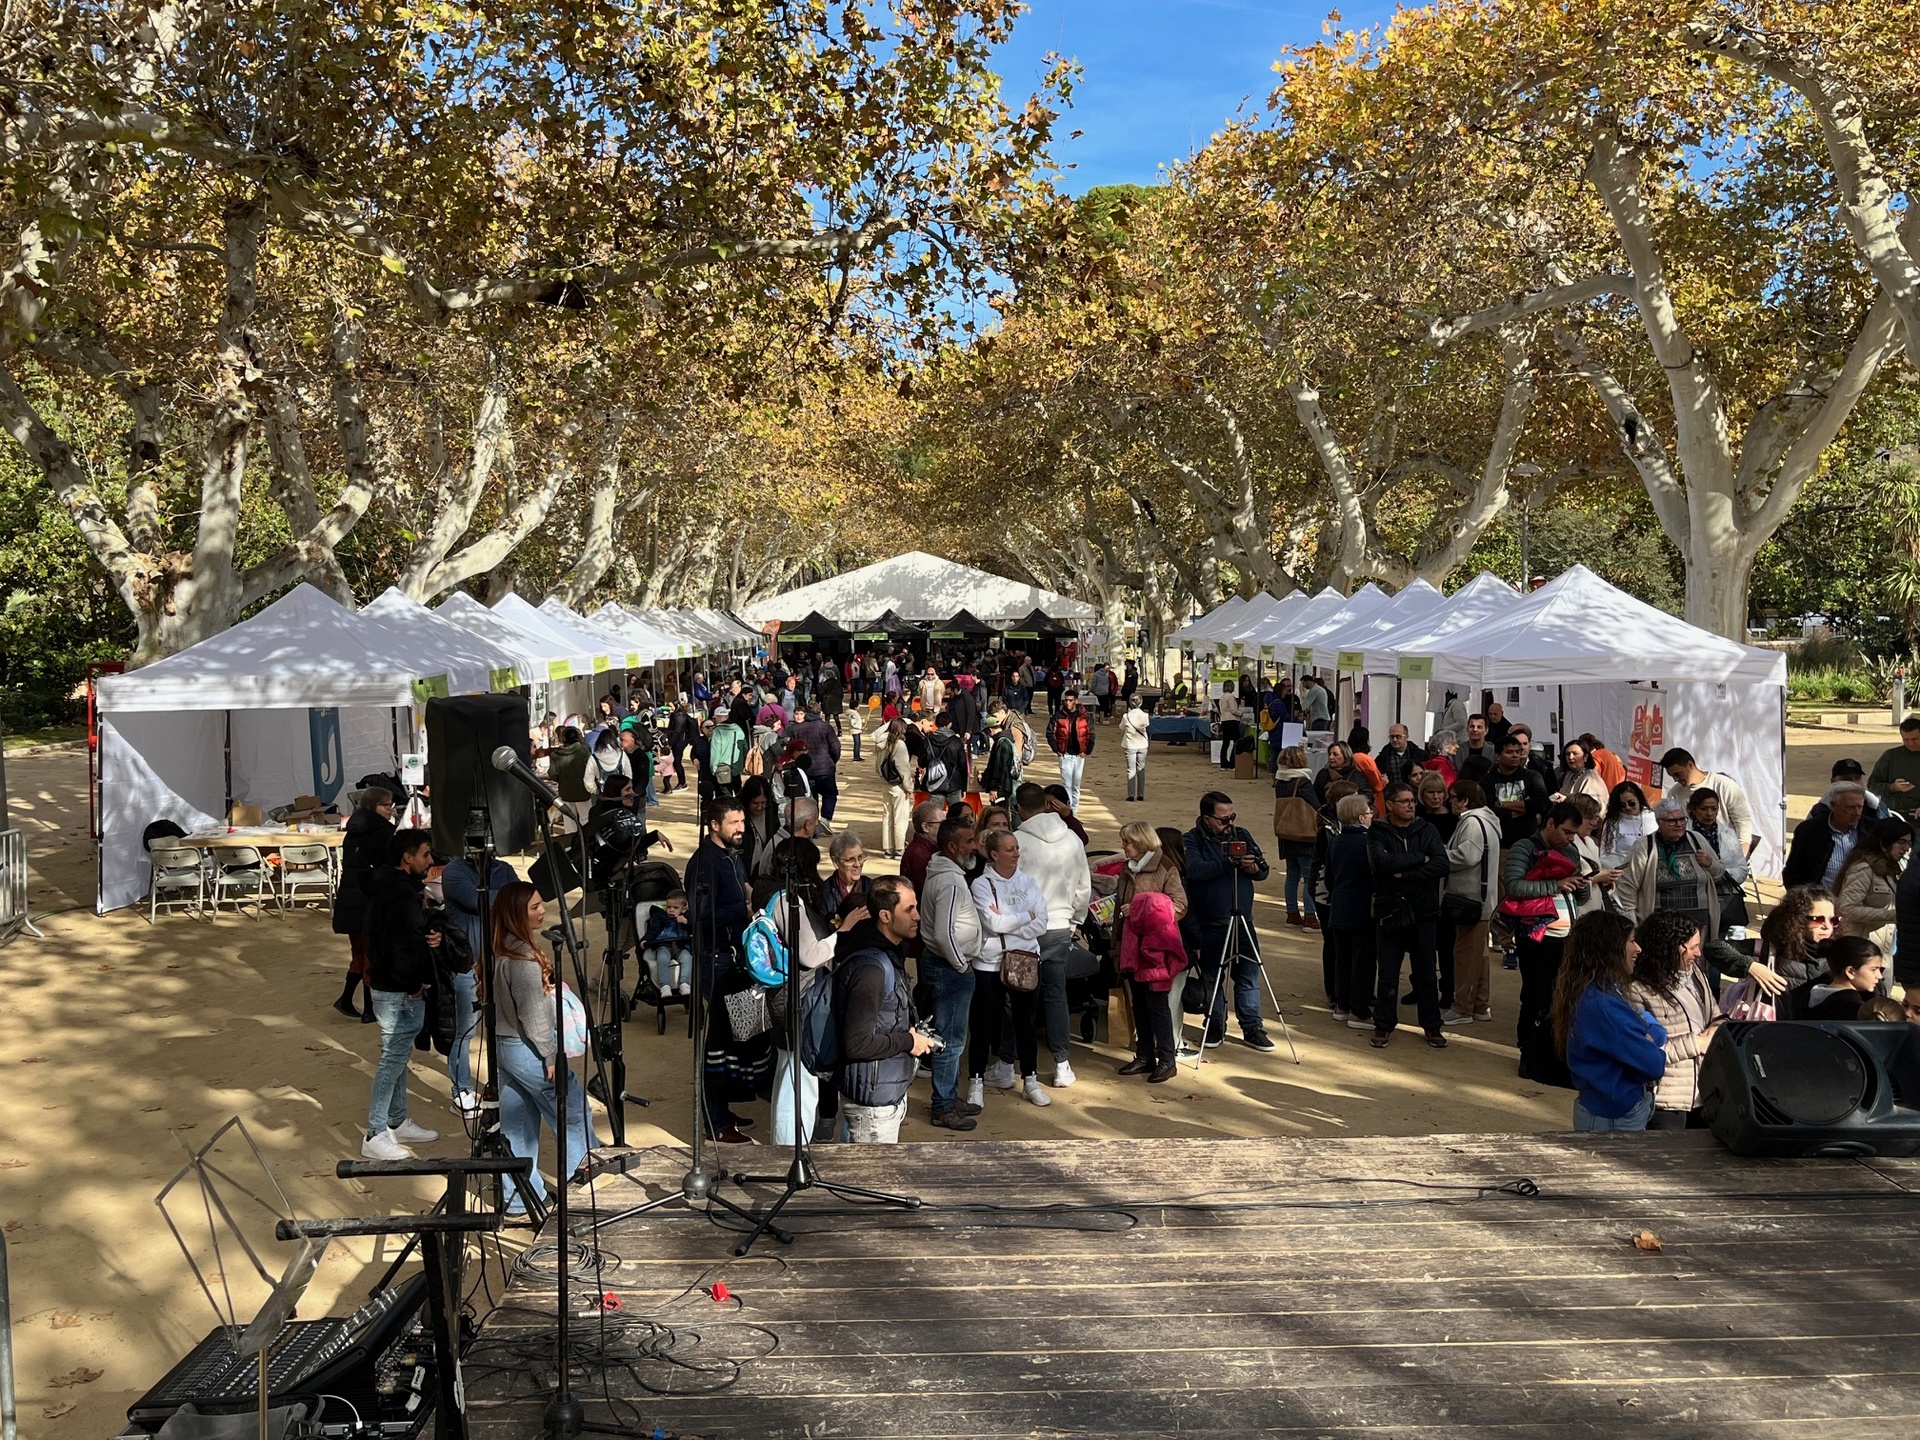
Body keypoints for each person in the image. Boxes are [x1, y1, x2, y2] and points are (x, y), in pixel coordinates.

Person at [487, 880, 599, 1208]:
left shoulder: (504, 947)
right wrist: (550, 1054)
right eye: (534, 907)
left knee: (517, 1124)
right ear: (515, 914)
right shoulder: (522, 958)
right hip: (528, 1049)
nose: (542, 911)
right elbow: (533, 1015)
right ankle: (583, 1193)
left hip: (507, 1047)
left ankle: (519, 1200)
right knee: (573, 1112)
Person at [360, 828, 445, 1160]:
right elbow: (397, 947)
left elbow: (402, 936)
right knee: (392, 1060)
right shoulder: (400, 894)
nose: (430, 860)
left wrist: (429, 937)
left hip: (391, 986)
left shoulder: (393, 887)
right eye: (425, 854)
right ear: (407, 858)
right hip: (397, 991)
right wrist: (413, 984)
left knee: (397, 1057)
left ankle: (396, 1120)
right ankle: (375, 1133)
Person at [833, 876, 934, 1144]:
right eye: (909, 909)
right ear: (885, 916)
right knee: (867, 1172)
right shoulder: (871, 970)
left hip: (882, 1096)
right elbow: (857, 1043)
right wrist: (909, 1041)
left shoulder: (887, 954)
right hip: (872, 1109)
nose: (917, 916)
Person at [1553, 911, 1665, 1133]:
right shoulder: (1604, 1007)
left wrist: (1648, 1034)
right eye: (1631, 941)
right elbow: (1654, 1063)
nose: (1638, 948)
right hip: (1614, 1119)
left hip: (1605, 1110)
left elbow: (1655, 1032)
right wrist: (1648, 1036)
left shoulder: (1597, 991)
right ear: (1611, 948)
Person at [1504, 801, 1592, 1079]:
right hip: (1535, 937)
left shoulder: (1571, 851)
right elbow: (1514, 885)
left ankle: (1550, 1054)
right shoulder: (1525, 848)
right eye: (1567, 832)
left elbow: (1581, 897)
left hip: (1567, 937)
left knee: (1561, 997)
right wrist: (1556, 885)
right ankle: (1528, 1051)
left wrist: (1582, 884)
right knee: (1535, 996)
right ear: (1550, 824)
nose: (1571, 838)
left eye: (1574, 833)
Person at [685, 796, 756, 1143]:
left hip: (736, 958)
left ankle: (723, 1110)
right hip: (716, 961)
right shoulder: (704, 864)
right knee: (717, 1044)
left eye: (742, 822)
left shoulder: (732, 855)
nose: (741, 828)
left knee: (737, 1040)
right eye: (734, 823)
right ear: (714, 826)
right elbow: (699, 916)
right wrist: (742, 909)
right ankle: (714, 1121)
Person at [1014, 781, 1093, 1086]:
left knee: (1018, 996)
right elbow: (1084, 885)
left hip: (1025, 929)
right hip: (1060, 926)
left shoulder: (1017, 841)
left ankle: (1008, 1062)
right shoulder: (1071, 838)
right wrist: (1075, 920)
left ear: (1020, 809)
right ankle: (1062, 1063)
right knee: (1056, 994)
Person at [1184, 791, 1276, 1050]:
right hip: (1211, 924)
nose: (1230, 824)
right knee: (1212, 978)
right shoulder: (1192, 840)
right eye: (1223, 819)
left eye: (1232, 817)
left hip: (1243, 922)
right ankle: (1215, 1025)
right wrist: (1228, 863)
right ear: (1207, 819)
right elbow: (1194, 870)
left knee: (1248, 977)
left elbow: (1263, 870)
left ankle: (1252, 1027)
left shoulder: (1241, 835)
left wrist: (1253, 868)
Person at [969, 828, 1051, 1108]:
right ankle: (976, 1082)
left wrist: (1009, 920)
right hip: (990, 963)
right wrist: (1025, 916)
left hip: (1026, 961)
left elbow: (1041, 923)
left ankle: (1030, 1080)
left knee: (1025, 1023)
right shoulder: (981, 885)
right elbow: (992, 923)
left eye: (1016, 848)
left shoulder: (1029, 881)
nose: (1016, 853)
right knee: (983, 1024)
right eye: (1009, 849)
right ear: (994, 855)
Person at [1366, 781, 1450, 1050]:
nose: (1411, 805)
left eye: (1412, 801)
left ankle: (1432, 1026)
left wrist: (1404, 874)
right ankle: (1383, 1025)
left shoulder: (1427, 829)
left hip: (1424, 912)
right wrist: (1420, 858)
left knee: (1426, 973)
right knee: (1388, 974)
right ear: (1390, 805)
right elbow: (1381, 863)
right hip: (1390, 912)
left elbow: (1441, 864)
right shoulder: (1378, 831)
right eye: (1404, 801)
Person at [439, 846, 517, 1111]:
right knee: (465, 1030)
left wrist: (508, 897)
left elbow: (518, 901)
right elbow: (477, 900)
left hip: (500, 963)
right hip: (467, 966)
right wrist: (507, 896)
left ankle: (502, 1084)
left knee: (503, 1026)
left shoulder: (504, 869)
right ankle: (461, 1090)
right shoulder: (454, 872)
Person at [918, 817, 984, 1130]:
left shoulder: (945, 874)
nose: (975, 846)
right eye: (969, 841)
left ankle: (949, 1096)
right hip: (949, 969)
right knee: (951, 1041)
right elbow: (943, 933)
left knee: (953, 1037)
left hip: (944, 965)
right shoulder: (950, 882)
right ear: (952, 847)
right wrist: (960, 964)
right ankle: (943, 1106)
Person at [1628, 910, 1720, 1130]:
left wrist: (1718, 1028)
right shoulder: (1636, 990)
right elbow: (1642, 1052)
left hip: (1704, 1093)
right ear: (1671, 948)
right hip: (1666, 1101)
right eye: (1692, 947)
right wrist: (1696, 1043)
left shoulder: (1695, 974)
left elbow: (1715, 1014)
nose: (1698, 953)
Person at [1114, 821, 1189, 1081]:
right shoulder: (1127, 867)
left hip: (1156, 948)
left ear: (1142, 842)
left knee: (1157, 1004)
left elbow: (1179, 906)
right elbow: (1119, 907)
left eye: (1127, 841)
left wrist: (1139, 910)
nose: (1124, 846)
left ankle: (1167, 1060)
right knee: (1138, 1003)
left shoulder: (1165, 867)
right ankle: (1144, 1055)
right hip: (1131, 946)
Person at [1616, 795, 1723, 942]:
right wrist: (1632, 922)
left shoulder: (1696, 840)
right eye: (1672, 821)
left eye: (1682, 819)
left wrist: (1710, 863)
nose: (1679, 824)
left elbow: (1719, 874)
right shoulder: (1645, 846)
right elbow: (1627, 886)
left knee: (1696, 957)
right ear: (1659, 822)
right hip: (1661, 927)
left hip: (1698, 924)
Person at [332, 786, 397, 1022]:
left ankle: (346, 999)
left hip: (350, 898)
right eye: (385, 805)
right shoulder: (382, 831)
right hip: (369, 899)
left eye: (391, 804)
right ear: (373, 806)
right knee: (372, 955)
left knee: (360, 953)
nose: (390, 809)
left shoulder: (352, 831)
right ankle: (369, 1009)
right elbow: (390, 862)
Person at [1441, 779, 1500, 1027]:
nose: (1449, 802)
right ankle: (1479, 1004)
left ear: (1464, 801)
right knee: (1479, 955)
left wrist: (1439, 855)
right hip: (1480, 899)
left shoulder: (1473, 822)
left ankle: (1462, 1007)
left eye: (1453, 797)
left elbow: (1467, 856)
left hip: (1470, 899)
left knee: (1465, 955)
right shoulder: (1485, 819)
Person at [1324, 792, 1376, 1028]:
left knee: (1343, 958)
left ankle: (1342, 1005)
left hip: (1339, 906)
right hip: (1363, 908)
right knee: (1363, 960)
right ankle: (1359, 1011)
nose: (1371, 815)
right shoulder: (1368, 842)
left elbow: (1330, 876)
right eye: (1368, 812)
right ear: (1360, 817)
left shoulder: (1336, 841)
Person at [1658, 748, 1755, 857]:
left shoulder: (1725, 785)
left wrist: (1740, 857)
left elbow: (1743, 823)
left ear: (1690, 765)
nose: (1676, 779)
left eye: (1678, 774)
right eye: (1672, 776)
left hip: (1726, 854)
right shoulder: (1675, 793)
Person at [1835, 817, 1910, 957]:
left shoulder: (1892, 869)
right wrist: (1890, 915)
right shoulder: (1863, 868)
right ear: (1884, 842)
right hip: (1860, 949)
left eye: (1909, 844)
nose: (1906, 848)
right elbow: (1847, 908)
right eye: (1901, 842)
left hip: (1883, 949)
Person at [1686, 786, 1752, 933]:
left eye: (1713, 809)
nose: (1709, 813)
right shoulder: (1683, 834)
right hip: (1691, 900)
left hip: (1721, 900)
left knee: (1718, 941)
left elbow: (1742, 870)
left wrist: (1723, 876)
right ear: (1694, 810)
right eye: (1704, 809)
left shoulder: (1728, 834)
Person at [1781, 781, 1868, 889]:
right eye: (1850, 807)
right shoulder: (1809, 831)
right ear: (1833, 806)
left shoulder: (1872, 830)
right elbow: (1793, 873)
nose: (1856, 813)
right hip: (1820, 897)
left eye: (1860, 807)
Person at [1781, 935, 1888, 1021]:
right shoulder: (1854, 1010)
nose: (1879, 976)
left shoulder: (1804, 995)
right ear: (1850, 972)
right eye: (1873, 969)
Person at [1272, 745, 1321, 929]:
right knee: (1309, 877)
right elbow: (1315, 805)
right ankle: (1310, 916)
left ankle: (1292, 913)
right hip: (1303, 834)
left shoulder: (1280, 781)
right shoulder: (1302, 782)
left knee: (1292, 874)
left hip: (1286, 833)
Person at [1487, 733, 1551, 854]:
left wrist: (1502, 804)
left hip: (1530, 844)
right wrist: (1525, 808)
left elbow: (1541, 804)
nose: (1515, 755)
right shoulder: (1488, 780)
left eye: (1517, 751)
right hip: (1500, 845)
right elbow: (1489, 811)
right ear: (1498, 756)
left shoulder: (1532, 776)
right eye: (1509, 752)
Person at [789, 703, 842, 822]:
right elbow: (836, 747)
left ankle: (812, 821)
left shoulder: (798, 729)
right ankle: (825, 819)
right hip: (825, 768)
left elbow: (792, 749)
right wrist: (832, 760)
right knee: (830, 795)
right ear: (820, 713)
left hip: (806, 769)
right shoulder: (826, 727)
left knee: (810, 798)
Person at [871, 717, 915, 859]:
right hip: (898, 786)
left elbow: (877, 766)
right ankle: (899, 848)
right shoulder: (899, 745)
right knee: (900, 818)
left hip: (885, 783)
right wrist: (909, 788)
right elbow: (904, 769)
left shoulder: (880, 743)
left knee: (887, 816)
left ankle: (888, 848)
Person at [1047, 690, 1095, 812]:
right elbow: (1050, 733)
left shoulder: (1084, 716)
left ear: (1076, 701)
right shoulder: (1058, 715)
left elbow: (1091, 734)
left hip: (1079, 755)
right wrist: (1056, 749)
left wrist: (1087, 751)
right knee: (1067, 785)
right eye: (1066, 700)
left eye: (1070, 700)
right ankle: (1069, 811)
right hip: (1065, 754)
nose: (1067, 703)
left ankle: (1074, 810)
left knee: (1076, 785)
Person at [640, 889, 693, 997]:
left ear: (684, 909)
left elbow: (694, 930)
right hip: (664, 945)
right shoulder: (661, 917)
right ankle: (665, 985)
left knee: (687, 957)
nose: (671, 910)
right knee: (663, 957)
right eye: (669, 907)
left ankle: (685, 983)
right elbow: (653, 930)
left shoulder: (687, 917)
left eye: (675, 908)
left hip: (681, 946)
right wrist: (645, 940)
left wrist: (686, 922)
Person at [1868, 715, 1920, 822]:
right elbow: (1872, 785)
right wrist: (1892, 787)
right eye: (1906, 739)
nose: (1910, 743)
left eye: (1915, 739)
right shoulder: (1891, 756)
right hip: (1894, 815)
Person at [820, 829, 873, 925]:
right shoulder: (824, 892)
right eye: (850, 860)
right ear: (836, 863)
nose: (857, 864)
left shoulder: (872, 888)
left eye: (860, 858)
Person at [1598, 781, 1654, 870]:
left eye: (1631, 803)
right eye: (1622, 805)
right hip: (1621, 870)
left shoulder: (1653, 817)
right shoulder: (1612, 822)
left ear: (1639, 799)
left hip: (1649, 868)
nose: (1627, 807)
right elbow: (1605, 854)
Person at [921, 710, 969, 807]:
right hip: (954, 783)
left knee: (934, 813)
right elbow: (963, 766)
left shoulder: (927, 741)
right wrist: (964, 787)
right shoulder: (956, 741)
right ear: (950, 724)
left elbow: (921, 763)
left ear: (936, 724)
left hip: (934, 782)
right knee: (956, 813)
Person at [900, 799, 946, 894]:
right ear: (925, 827)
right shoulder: (919, 855)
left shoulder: (930, 847)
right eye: (941, 823)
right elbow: (928, 889)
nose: (946, 827)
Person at [979, 711, 1018, 805]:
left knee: (999, 810)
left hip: (1001, 788)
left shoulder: (1001, 743)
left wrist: (994, 788)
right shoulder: (1007, 739)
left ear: (990, 730)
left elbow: (999, 767)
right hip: (1004, 785)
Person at [1554, 741, 1609, 807]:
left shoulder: (1591, 779)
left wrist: (1566, 800)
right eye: (1568, 754)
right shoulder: (1570, 775)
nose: (1570, 757)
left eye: (1575, 754)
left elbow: (1591, 807)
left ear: (1585, 757)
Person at [1375, 723, 1426, 790]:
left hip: (1415, 793)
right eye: (1392, 737)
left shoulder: (1420, 755)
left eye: (1398, 736)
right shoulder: (1382, 758)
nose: (1394, 740)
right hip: (1392, 793)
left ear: (1406, 737)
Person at [1119, 694, 1151, 802]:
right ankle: (1141, 794)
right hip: (1142, 744)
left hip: (1130, 744)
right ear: (1141, 703)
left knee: (1131, 770)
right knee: (1141, 769)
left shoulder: (1126, 716)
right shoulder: (1145, 715)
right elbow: (1145, 725)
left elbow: (1121, 727)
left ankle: (1131, 794)